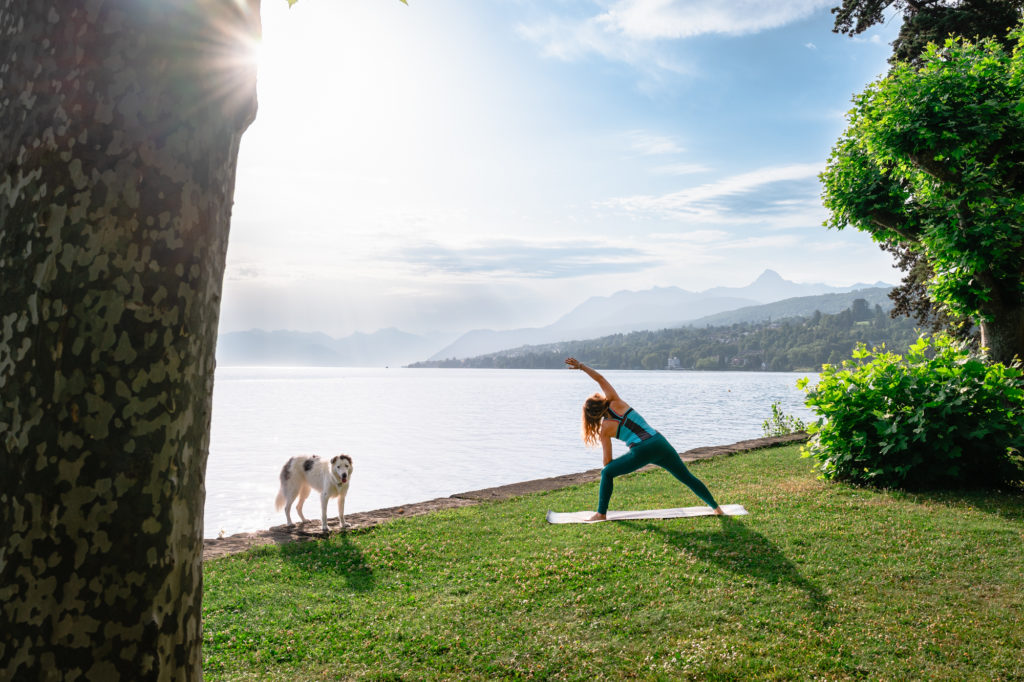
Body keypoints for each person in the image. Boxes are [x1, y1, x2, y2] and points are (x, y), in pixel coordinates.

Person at [565, 357, 724, 521]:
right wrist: (581, 366)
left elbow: (607, 463)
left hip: (641, 450)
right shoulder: (615, 401)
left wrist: (616, 465)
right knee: (686, 477)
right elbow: (600, 379)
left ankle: (600, 513)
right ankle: (716, 508)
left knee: (606, 473)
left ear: (591, 417)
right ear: (600, 399)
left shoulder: (605, 429)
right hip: (659, 441)